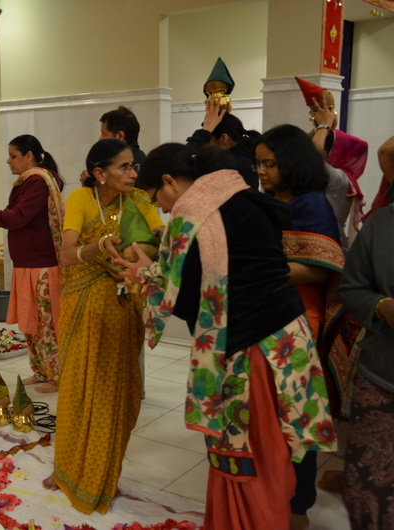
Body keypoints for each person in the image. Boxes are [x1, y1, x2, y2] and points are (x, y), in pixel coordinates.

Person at [114, 143, 336, 529]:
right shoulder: (241, 194)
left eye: (155, 197)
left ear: (169, 181)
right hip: (290, 341)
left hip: (248, 354)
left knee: (249, 455)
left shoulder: (192, 213)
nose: (162, 209)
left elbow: (189, 301)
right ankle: (286, 515)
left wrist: (142, 275)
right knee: (279, 448)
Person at [43, 139, 160, 514]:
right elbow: (65, 256)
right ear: (99, 173)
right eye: (124, 167)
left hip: (123, 306)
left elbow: (162, 240)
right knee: (78, 388)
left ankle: (102, 473)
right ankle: (66, 469)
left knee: (116, 393)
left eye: (133, 166)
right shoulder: (80, 198)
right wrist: (99, 246)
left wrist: (147, 252)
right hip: (85, 307)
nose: (133, 173)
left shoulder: (138, 201)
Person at [255, 124, 347, 529]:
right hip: (262, 314)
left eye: (269, 164)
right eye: (259, 164)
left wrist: (261, 269)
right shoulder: (265, 201)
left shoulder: (313, 204)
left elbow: (321, 267)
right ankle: (264, 493)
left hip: (299, 319)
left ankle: (297, 506)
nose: (262, 172)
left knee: (296, 413)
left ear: (291, 162)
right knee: (262, 411)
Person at [0, 135, 64, 393]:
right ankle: (40, 371)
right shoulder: (26, 182)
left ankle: (57, 376)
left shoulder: (37, 182)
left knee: (46, 326)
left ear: (29, 156)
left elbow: (17, 218)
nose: (8, 161)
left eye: (13, 156)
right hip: (26, 265)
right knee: (32, 325)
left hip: (41, 266)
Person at [337, 203, 394, 530]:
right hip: (382, 377)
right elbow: (351, 287)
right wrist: (381, 306)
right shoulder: (381, 225)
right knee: (369, 489)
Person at [297, 78, 368, 251]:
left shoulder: (339, 177)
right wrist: (318, 127)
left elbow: (311, 159)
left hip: (328, 244)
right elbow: (299, 153)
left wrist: (323, 125)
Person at [185, 99, 260, 189]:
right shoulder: (246, 156)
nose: (204, 145)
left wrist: (206, 128)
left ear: (224, 138)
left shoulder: (229, 164)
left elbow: (183, 162)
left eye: (207, 138)